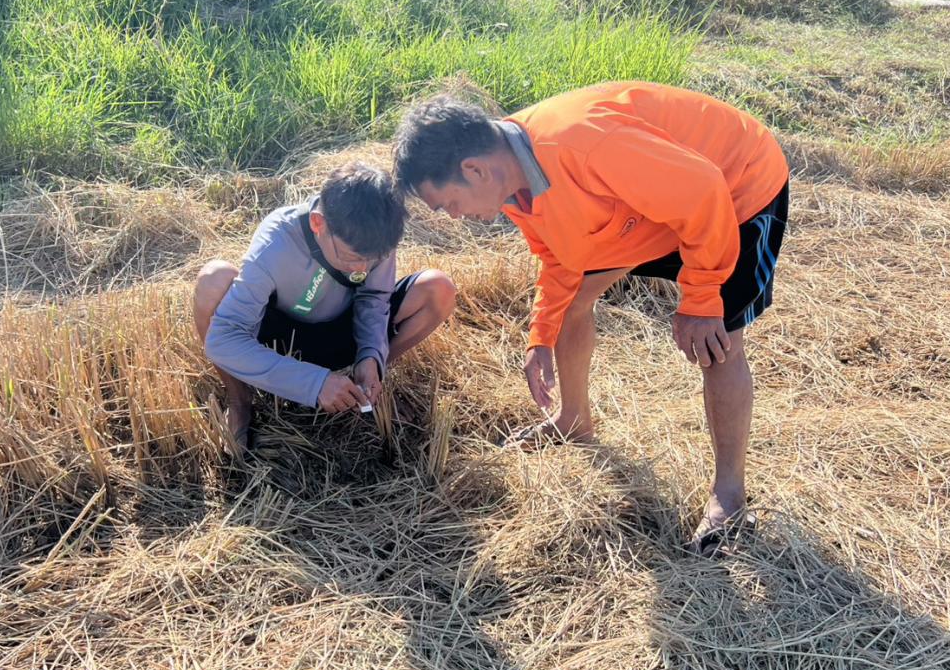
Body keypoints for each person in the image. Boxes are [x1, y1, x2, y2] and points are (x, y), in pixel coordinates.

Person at [393, 83, 790, 553]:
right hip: (644, 208)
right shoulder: (514, 181)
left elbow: (703, 192)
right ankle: (573, 419)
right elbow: (560, 256)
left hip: (734, 189)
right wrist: (541, 335)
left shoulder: (584, 144)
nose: (454, 217)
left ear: (473, 169)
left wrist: (701, 301)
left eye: (447, 204)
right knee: (572, 302)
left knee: (717, 341)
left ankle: (729, 495)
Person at [194, 163, 457, 455]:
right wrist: (313, 383)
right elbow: (223, 340)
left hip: (342, 331)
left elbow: (373, 299)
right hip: (281, 339)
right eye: (352, 257)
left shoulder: (375, 234)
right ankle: (240, 402)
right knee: (214, 279)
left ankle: (367, 387)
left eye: (374, 259)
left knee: (438, 289)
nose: (362, 269)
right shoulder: (277, 240)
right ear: (319, 224)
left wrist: (371, 354)